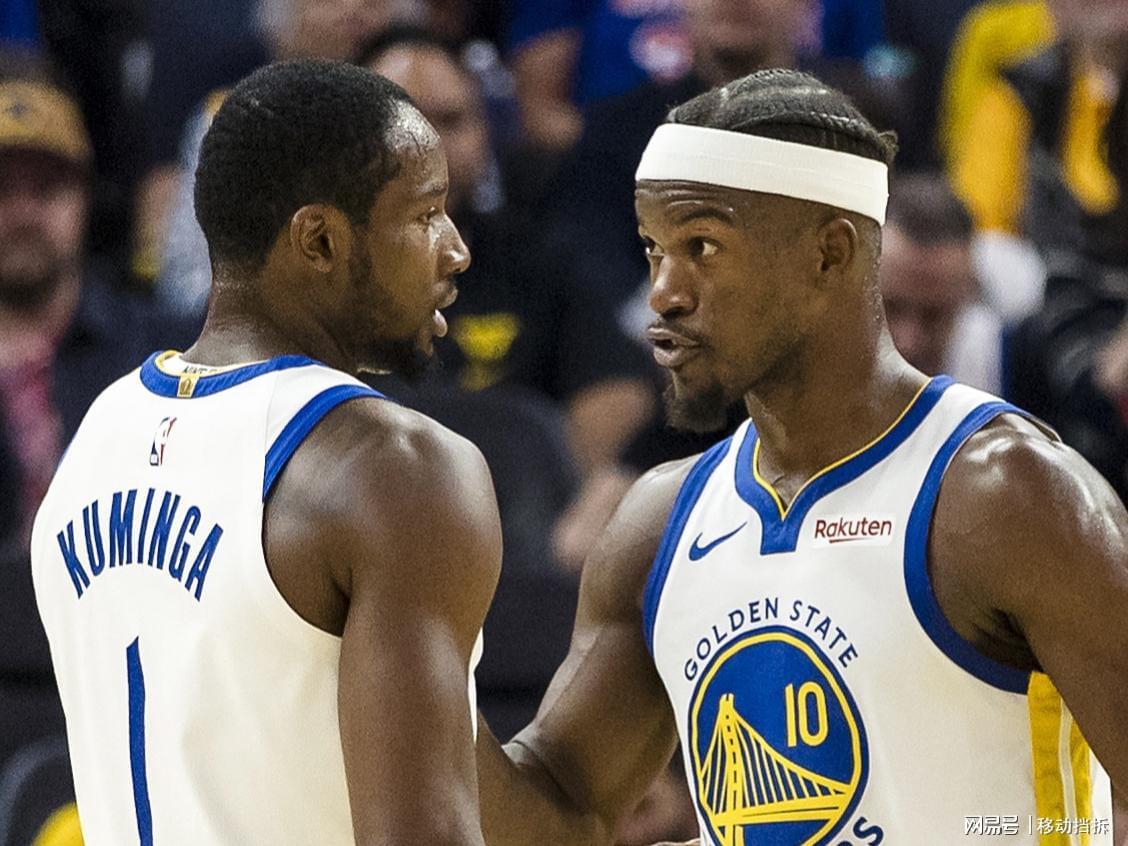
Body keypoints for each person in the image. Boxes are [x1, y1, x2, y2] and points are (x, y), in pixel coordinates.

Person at [475, 69, 1128, 844]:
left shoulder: (1007, 493)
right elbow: (555, 810)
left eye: (702, 246)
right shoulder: (658, 524)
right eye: (654, 248)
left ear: (829, 253)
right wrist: (419, 651)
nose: (664, 292)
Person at [31, 60, 499, 845]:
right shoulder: (393, 467)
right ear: (319, 240)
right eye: (425, 214)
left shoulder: (98, 432)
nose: (455, 250)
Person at [881, 172, 1006, 393]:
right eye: (890, 307)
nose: (908, 344)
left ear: (968, 296)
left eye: (933, 316)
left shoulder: (1007, 368)